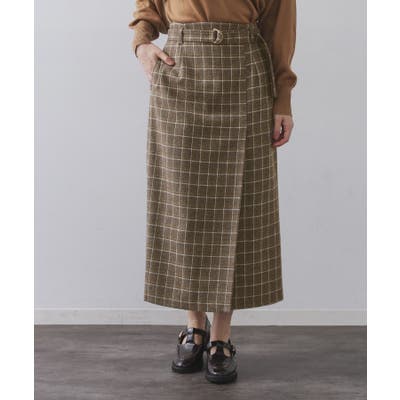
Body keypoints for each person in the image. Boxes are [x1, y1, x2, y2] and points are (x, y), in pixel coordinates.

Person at [129, 0, 297, 384]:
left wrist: (283, 98)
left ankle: (221, 334)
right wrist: (142, 46)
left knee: (241, 206)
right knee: (182, 205)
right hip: (180, 73)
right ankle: (194, 325)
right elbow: (147, 9)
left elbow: (280, 28)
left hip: (245, 77)